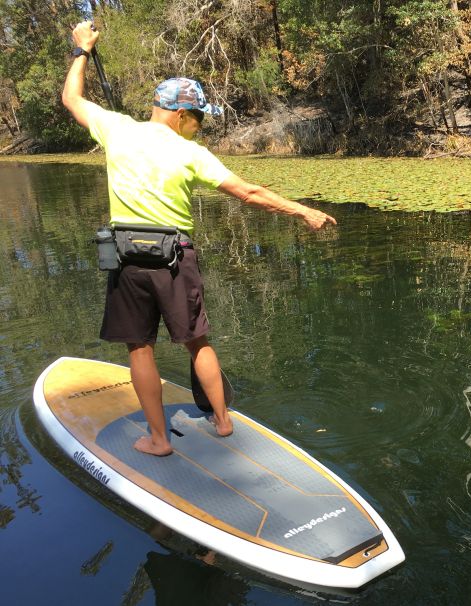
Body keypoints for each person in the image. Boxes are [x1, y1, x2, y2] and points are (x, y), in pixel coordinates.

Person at [62, 21, 336, 457]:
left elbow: (71, 98)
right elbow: (248, 193)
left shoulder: (115, 128)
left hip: (129, 259)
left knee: (141, 347)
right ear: (179, 114)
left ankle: (158, 439)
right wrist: (303, 211)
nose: (201, 127)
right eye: (199, 118)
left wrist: (82, 50)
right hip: (176, 258)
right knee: (196, 341)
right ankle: (222, 421)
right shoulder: (191, 153)